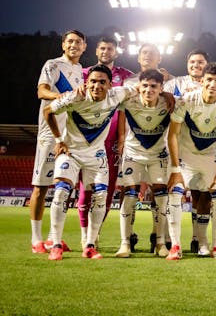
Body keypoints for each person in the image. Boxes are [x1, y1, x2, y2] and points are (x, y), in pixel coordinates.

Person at [43, 64, 138, 260]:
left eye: (102, 82)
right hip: (71, 153)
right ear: (86, 83)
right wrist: (59, 140)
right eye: (93, 81)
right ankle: (56, 244)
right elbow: (47, 111)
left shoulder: (118, 95)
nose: (97, 86)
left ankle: (90, 245)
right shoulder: (75, 97)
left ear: (110, 85)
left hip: (96, 156)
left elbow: (141, 88)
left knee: (101, 197)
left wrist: (167, 96)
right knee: (61, 192)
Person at [166, 62, 216, 260]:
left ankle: (215, 246)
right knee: (175, 193)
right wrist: (174, 168)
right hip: (186, 157)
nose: (213, 84)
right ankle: (175, 246)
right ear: (201, 81)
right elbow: (172, 135)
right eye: (209, 80)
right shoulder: (186, 101)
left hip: (209, 157)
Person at [30, 29, 87, 254]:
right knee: (40, 187)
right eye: (70, 41)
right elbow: (41, 91)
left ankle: (54, 238)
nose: (73, 45)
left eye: (78, 42)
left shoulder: (81, 71)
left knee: (64, 186)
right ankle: (36, 240)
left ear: (84, 47)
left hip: (70, 136)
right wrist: (62, 96)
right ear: (63, 45)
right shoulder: (53, 64)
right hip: (49, 134)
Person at [78, 36, 134, 249]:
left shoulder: (126, 76)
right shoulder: (84, 74)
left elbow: (146, 83)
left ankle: (96, 232)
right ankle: (85, 234)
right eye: (102, 48)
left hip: (111, 141)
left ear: (116, 52)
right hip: (87, 139)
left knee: (107, 189)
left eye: (110, 48)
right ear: (96, 51)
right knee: (86, 189)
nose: (105, 51)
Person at [114, 69, 173, 258]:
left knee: (162, 199)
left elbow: (191, 101)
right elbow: (111, 94)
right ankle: (125, 243)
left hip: (158, 155)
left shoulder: (169, 102)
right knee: (130, 197)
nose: (149, 90)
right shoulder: (128, 100)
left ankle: (160, 243)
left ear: (161, 88)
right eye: (145, 85)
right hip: (133, 155)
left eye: (154, 86)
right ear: (139, 86)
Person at [163, 49, 208, 253]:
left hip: (199, 146)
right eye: (192, 62)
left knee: (200, 193)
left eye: (200, 62)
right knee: (173, 190)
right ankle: (166, 238)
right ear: (186, 63)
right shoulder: (174, 84)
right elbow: (161, 97)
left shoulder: (212, 84)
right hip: (175, 143)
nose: (196, 65)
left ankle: (196, 238)